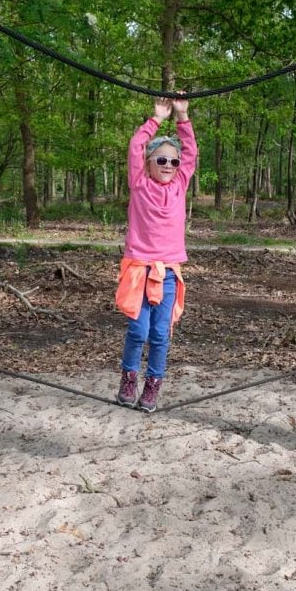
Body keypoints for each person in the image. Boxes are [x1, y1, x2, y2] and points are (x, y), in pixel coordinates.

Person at [114, 95, 197, 412]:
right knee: (138, 331)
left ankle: (152, 386)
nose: (168, 165)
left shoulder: (179, 185)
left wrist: (183, 116)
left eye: (172, 162)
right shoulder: (139, 183)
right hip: (139, 269)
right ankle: (128, 379)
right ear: (148, 163)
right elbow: (136, 145)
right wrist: (157, 118)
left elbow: (190, 154)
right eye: (161, 160)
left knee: (161, 334)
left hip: (168, 274)